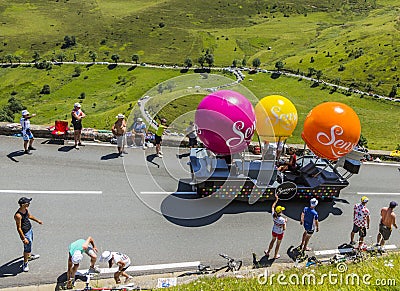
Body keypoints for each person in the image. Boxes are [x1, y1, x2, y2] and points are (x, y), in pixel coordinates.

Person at [14, 197, 43, 272]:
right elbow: (19, 228)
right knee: (27, 248)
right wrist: (24, 238)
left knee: (30, 245)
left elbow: (29, 216)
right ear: (23, 204)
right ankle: (25, 263)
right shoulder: (18, 215)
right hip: (25, 233)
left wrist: (37, 221)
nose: (29, 203)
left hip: (29, 229)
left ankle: (29, 256)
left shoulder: (25, 209)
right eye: (28, 203)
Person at [264, 194, 287, 259]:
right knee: (278, 244)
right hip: (280, 233)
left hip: (274, 231)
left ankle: (268, 252)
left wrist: (276, 200)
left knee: (272, 241)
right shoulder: (282, 220)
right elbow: (284, 228)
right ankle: (275, 255)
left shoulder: (273, 215)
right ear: (281, 212)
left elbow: (272, 207)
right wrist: (285, 222)